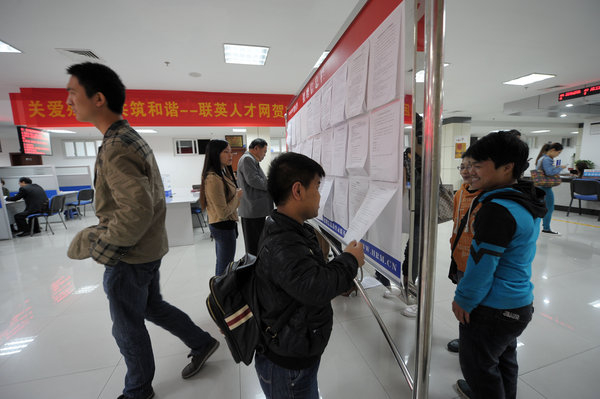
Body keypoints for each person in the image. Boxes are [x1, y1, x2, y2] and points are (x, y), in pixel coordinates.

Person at [64, 62, 219, 399]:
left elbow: (136, 210)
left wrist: (100, 245)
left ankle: (138, 391)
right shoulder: (126, 137)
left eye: (73, 93)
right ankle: (202, 341)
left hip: (129, 255)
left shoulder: (118, 144)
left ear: (99, 98)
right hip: (146, 249)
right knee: (152, 307)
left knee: (126, 326)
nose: (68, 101)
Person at [254, 152, 364, 399]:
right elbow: (316, 288)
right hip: (287, 364)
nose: (320, 194)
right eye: (317, 186)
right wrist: (350, 260)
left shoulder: (288, 227)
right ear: (298, 190)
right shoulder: (284, 243)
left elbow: (310, 274)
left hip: (295, 348)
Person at [452, 131, 546, 399]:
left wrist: (464, 298)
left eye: (479, 165)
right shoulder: (523, 199)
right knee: (504, 360)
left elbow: (482, 265)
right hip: (517, 304)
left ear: (507, 168)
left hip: (492, 308)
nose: (472, 171)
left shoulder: (497, 209)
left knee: (478, 367)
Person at [446, 155, 482, 354]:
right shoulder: (459, 194)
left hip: (478, 264)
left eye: (473, 166)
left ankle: (474, 346)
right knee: (463, 307)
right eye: (463, 166)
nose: (467, 171)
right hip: (460, 260)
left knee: (476, 308)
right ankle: (466, 339)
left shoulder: (488, 196)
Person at [200, 139, 243, 276]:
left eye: (231, 152)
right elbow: (223, 212)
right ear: (215, 154)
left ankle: (220, 292)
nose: (230, 155)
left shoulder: (222, 173)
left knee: (223, 263)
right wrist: (237, 196)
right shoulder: (213, 178)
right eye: (226, 152)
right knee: (225, 265)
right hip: (222, 225)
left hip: (225, 225)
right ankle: (220, 294)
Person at [237, 138, 273, 256]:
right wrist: (272, 185)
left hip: (255, 210)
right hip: (252, 211)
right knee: (253, 245)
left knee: (258, 242)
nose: (264, 155)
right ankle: (253, 270)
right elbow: (254, 180)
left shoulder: (250, 159)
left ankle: (257, 268)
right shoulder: (248, 159)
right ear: (256, 148)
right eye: (264, 151)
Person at [535, 142, 566, 235]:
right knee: (549, 208)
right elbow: (549, 172)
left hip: (539, 186)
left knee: (539, 208)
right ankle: (546, 228)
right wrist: (560, 168)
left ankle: (537, 227)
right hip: (545, 187)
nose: (558, 155)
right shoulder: (547, 159)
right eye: (558, 152)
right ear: (552, 150)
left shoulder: (541, 158)